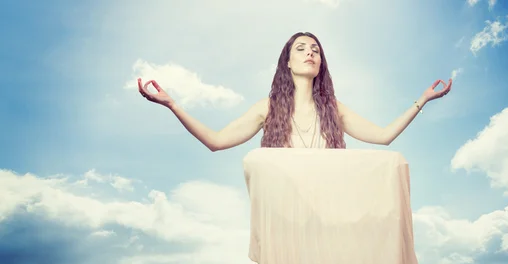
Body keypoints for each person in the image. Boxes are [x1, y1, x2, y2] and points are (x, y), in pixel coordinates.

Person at [137, 31, 452, 151]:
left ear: (321, 62)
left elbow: (383, 136)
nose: (310, 53)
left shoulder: (333, 109)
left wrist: (422, 100)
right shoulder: (268, 108)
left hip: (329, 202)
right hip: (285, 208)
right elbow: (216, 141)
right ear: (287, 62)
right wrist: (172, 105)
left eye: (315, 49)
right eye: (301, 49)